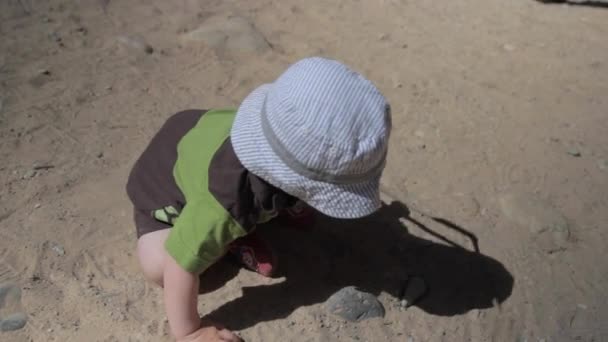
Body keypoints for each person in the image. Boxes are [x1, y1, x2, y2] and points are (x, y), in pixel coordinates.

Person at [126, 57, 392, 341]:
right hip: (163, 195)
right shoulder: (225, 200)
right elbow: (180, 262)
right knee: (159, 266)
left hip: (199, 135)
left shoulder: (279, 127)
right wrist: (190, 331)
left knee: (275, 183)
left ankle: (255, 220)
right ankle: (231, 239)